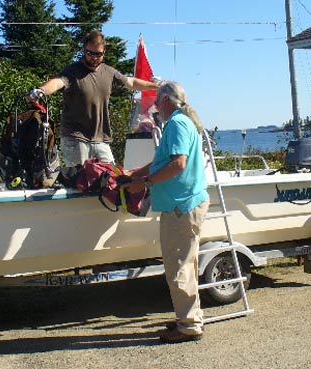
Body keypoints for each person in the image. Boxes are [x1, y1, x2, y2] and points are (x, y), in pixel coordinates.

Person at [121, 81, 210, 343]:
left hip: (180, 206)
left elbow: (178, 164)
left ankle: (189, 326)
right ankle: (189, 317)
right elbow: (163, 161)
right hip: (182, 204)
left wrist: (144, 183)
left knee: (178, 268)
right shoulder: (179, 123)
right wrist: (136, 172)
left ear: (167, 100)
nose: (155, 107)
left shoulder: (178, 124)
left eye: (157, 102)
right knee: (186, 266)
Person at [28, 30, 158, 167]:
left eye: (98, 54)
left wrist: (156, 87)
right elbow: (57, 82)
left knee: (110, 179)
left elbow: (131, 83)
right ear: (84, 50)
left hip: (101, 139)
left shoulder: (109, 72)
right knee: (80, 181)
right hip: (75, 138)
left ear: (104, 51)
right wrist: (40, 91)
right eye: (90, 53)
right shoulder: (72, 71)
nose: (94, 58)